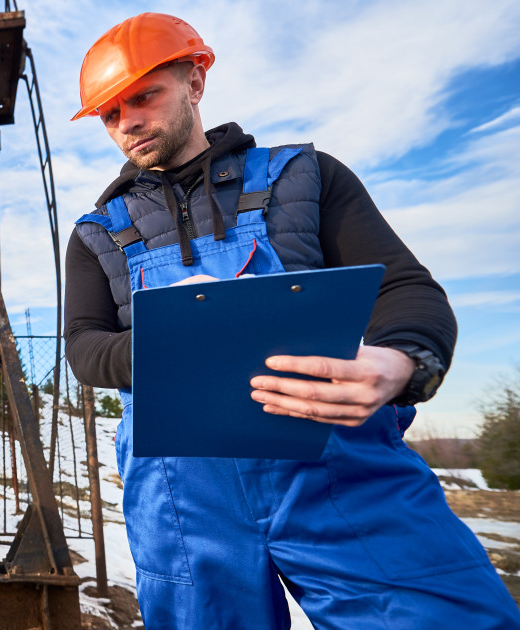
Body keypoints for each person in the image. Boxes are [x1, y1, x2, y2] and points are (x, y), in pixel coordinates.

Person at [64, 12, 520, 629]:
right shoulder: (98, 234)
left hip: (336, 467)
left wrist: (400, 362)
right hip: (184, 498)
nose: (127, 123)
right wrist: (179, 333)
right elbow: (85, 347)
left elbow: (404, 289)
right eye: (110, 113)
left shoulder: (303, 178)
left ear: (194, 82)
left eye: (144, 97)